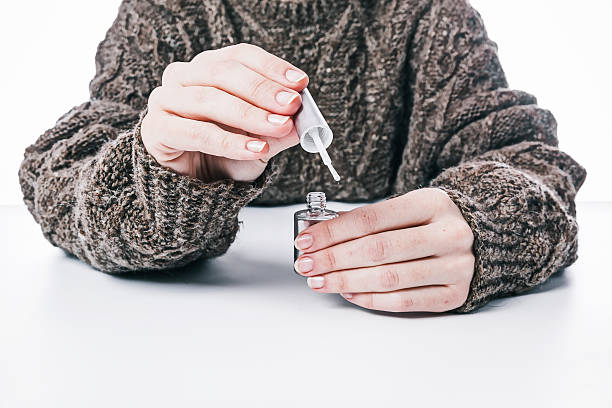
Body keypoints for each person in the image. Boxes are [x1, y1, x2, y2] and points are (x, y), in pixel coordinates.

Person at [18, 0, 586, 313]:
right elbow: (62, 173)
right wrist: (162, 181)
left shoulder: (431, 17)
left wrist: (486, 223)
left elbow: (529, 163)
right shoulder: (166, 14)